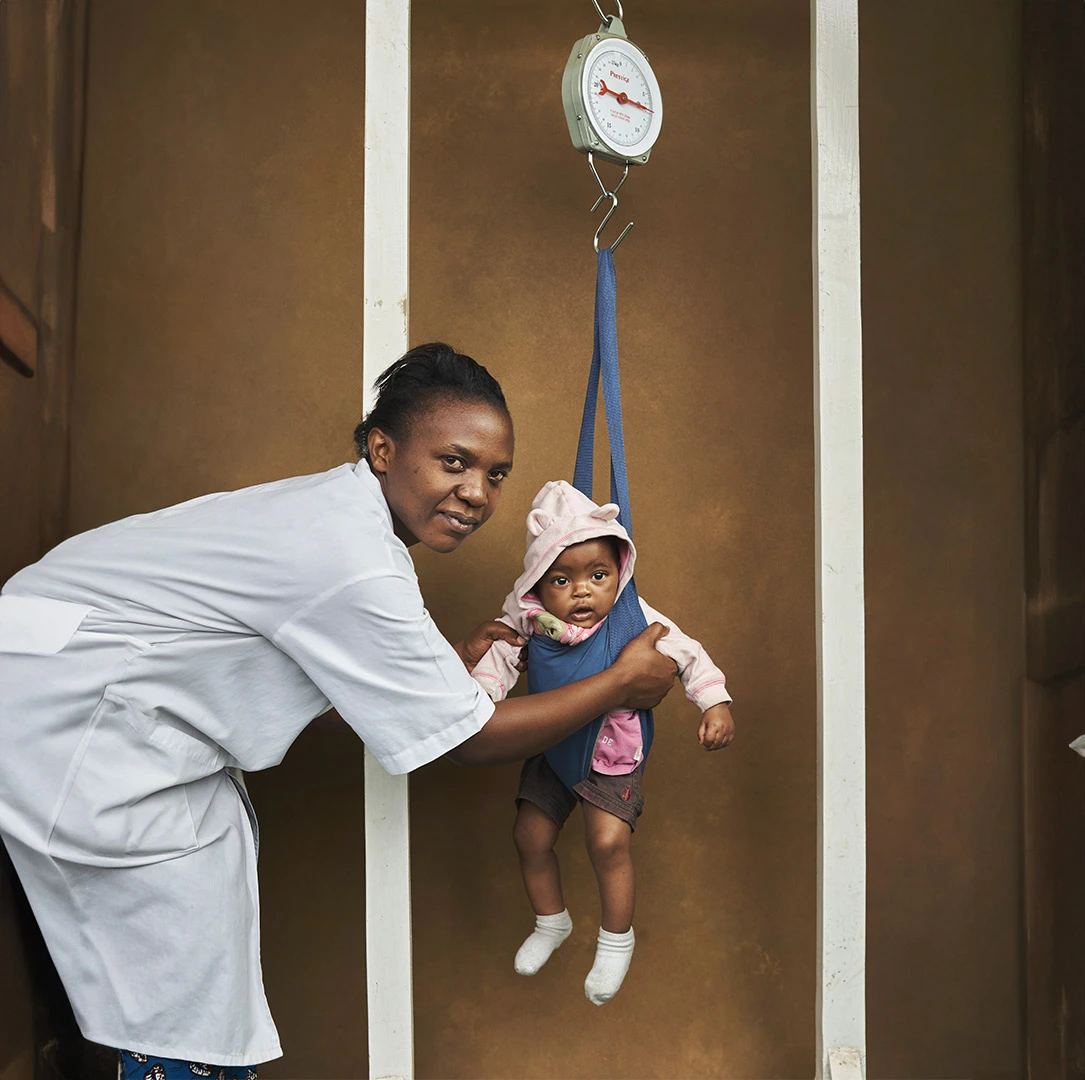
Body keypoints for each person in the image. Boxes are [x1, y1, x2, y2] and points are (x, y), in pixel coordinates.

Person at [0, 343, 678, 1079]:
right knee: (183, 1015)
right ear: (382, 450)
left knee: (193, 970)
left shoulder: (335, 516)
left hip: (76, 686)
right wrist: (619, 684)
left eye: (495, 473)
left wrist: (425, 679)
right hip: (71, 717)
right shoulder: (352, 557)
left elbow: (304, 661)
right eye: (454, 462)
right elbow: (472, 738)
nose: (478, 492)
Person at [470, 479, 735, 1005]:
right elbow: (494, 668)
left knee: (608, 844)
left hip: (611, 750)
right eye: (562, 580)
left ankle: (616, 942)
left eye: (598, 575)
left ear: (620, 573)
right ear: (537, 587)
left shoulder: (634, 617)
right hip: (553, 746)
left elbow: (688, 653)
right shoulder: (529, 622)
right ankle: (552, 922)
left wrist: (715, 702)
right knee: (529, 836)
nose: (583, 591)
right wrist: (482, 695)